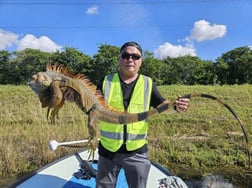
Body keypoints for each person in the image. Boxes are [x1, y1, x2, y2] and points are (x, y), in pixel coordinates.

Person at [96, 41, 190, 188]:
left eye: (135, 56)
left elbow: (163, 106)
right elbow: (91, 107)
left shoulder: (147, 83)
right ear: (119, 58)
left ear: (141, 61)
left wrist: (176, 106)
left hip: (136, 152)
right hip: (108, 151)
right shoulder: (105, 81)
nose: (130, 59)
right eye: (126, 55)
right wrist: (74, 97)